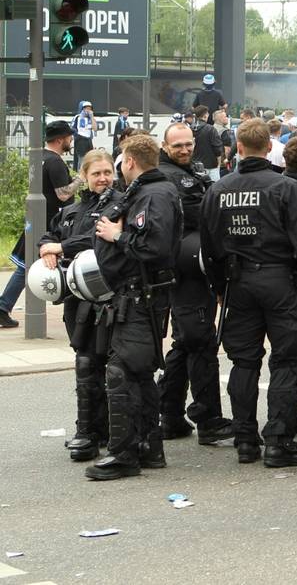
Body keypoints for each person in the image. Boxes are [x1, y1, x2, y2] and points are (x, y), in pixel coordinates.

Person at [200, 118, 297, 468]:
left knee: (243, 362)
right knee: (288, 361)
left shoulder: (219, 190)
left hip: (238, 285)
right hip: (282, 282)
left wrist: (218, 288)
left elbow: (209, 246)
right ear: (270, 148)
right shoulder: (286, 189)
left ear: (238, 148)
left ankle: (245, 439)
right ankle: (278, 441)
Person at [84, 134, 183, 480]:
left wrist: (116, 236)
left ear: (128, 162)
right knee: (138, 372)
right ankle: (147, 447)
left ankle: (124, 453)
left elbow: (153, 248)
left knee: (122, 372)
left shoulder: (154, 194)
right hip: (136, 294)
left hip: (141, 296)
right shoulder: (149, 192)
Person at [156, 123, 235, 445]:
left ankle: (170, 414)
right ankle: (208, 418)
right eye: (178, 146)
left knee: (186, 342)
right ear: (165, 146)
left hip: (195, 267)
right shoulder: (167, 177)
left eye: (188, 144)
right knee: (200, 342)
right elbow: (200, 214)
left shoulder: (195, 170)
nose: (185, 150)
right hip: (185, 269)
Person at [38, 150, 119, 462]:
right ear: (84, 176)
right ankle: (86, 431)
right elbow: (50, 233)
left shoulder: (118, 203)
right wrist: (48, 248)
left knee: (112, 364)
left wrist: (63, 246)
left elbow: (96, 239)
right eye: (96, 173)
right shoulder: (70, 209)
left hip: (109, 296)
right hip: (77, 298)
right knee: (85, 362)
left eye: (107, 172)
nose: (102, 179)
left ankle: (113, 429)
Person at [0, 121, 82, 328]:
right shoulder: (54, 162)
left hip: (37, 219)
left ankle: (3, 307)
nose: (71, 140)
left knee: (25, 266)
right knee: (32, 267)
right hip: (51, 224)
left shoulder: (39, 158)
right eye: (69, 137)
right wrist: (81, 179)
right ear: (61, 139)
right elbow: (63, 194)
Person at [190, 105, 224, 177]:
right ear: (205, 115)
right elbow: (217, 149)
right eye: (207, 113)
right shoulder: (210, 129)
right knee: (213, 187)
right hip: (211, 166)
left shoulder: (189, 129)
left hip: (194, 166)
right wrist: (218, 163)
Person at [73, 101, 95, 169]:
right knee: (82, 159)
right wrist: (76, 136)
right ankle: (80, 174)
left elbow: (95, 128)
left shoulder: (90, 118)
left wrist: (92, 117)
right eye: (86, 108)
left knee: (90, 157)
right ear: (83, 109)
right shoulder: (78, 117)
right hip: (80, 139)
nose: (88, 110)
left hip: (88, 139)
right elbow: (73, 127)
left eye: (90, 108)